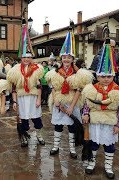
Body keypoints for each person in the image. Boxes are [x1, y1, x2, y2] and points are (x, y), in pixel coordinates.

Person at [81, 38, 119, 179]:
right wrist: (85, 114)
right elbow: (87, 104)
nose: (105, 79)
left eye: (109, 76)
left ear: (113, 75)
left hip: (110, 121)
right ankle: (92, 163)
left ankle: (108, 166)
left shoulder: (118, 90)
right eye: (102, 76)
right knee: (94, 143)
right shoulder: (91, 89)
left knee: (109, 146)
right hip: (95, 121)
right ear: (97, 75)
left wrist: (118, 124)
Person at [45, 29, 94, 158]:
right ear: (61, 58)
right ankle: (56, 146)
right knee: (58, 126)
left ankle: (72, 148)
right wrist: (55, 100)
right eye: (64, 57)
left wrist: (72, 106)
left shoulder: (78, 74)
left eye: (69, 57)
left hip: (73, 101)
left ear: (73, 59)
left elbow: (78, 89)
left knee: (72, 126)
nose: (66, 59)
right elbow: (54, 88)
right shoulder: (55, 72)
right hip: (59, 101)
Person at [7, 52, 45, 147]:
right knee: (23, 120)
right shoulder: (15, 70)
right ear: (21, 58)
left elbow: (39, 86)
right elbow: (14, 88)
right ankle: (23, 136)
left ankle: (39, 136)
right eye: (24, 57)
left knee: (37, 120)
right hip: (22, 99)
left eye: (28, 57)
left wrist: (39, 99)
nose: (26, 59)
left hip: (33, 97)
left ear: (32, 57)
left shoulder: (37, 69)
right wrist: (15, 101)